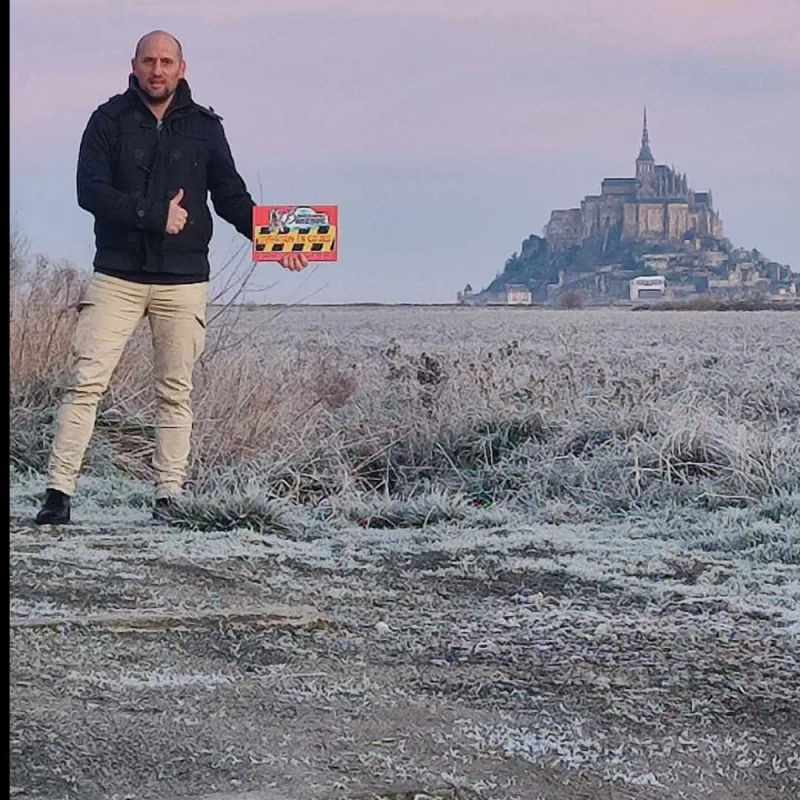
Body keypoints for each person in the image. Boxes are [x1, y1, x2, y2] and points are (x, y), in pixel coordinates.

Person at [35, 30, 308, 525]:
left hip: (183, 280)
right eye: (148, 61)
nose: (157, 70)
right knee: (84, 383)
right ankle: (58, 493)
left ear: (182, 68)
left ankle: (169, 497)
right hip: (116, 275)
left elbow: (231, 197)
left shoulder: (205, 128)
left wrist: (279, 241)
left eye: (166, 61)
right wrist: (153, 213)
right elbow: (89, 191)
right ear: (134, 65)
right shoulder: (107, 120)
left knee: (174, 389)